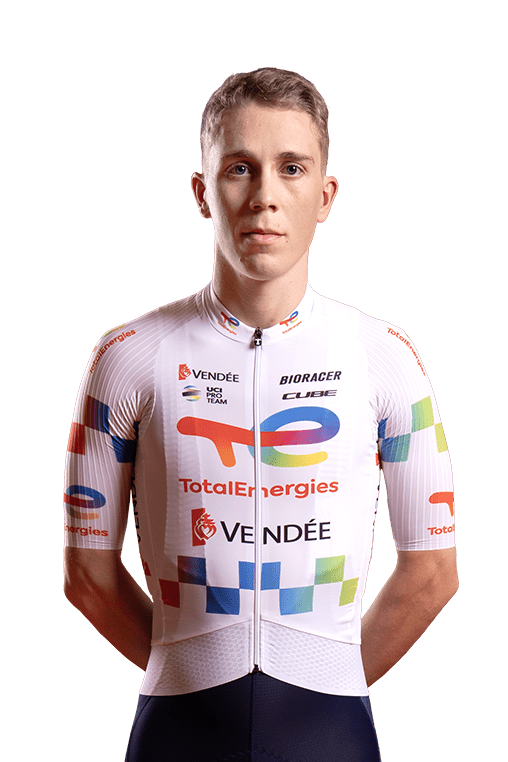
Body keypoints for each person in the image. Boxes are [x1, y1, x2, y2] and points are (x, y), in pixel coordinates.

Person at [63, 68, 458, 762]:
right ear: (202, 192)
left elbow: (433, 573)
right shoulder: (127, 355)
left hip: (328, 732)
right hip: (178, 731)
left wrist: (329, 677)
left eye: (291, 168)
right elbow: (87, 576)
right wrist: (185, 665)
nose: (265, 196)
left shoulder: (384, 355)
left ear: (325, 196)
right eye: (239, 168)